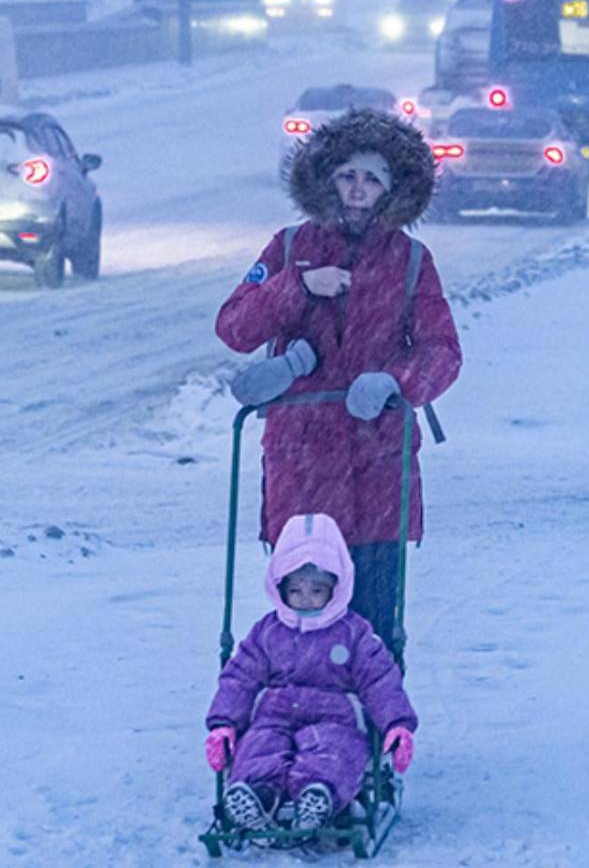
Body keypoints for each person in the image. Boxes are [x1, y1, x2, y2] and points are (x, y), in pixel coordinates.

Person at [217, 107, 462, 656]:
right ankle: (291, 716)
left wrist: (394, 382)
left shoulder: (412, 262)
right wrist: (298, 287)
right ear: (327, 180)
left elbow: (442, 351)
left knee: (374, 615)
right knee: (301, 603)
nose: (358, 188)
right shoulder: (286, 249)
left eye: (371, 178)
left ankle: (377, 723)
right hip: (299, 464)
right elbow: (234, 325)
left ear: (393, 188)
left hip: (378, 465)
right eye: (348, 175)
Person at [205, 514, 417, 836]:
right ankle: (257, 794)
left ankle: (317, 795)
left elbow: (379, 680)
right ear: (281, 589)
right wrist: (225, 724)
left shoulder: (353, 632)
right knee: (259, 746)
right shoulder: (267, 632)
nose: (305, 598)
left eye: (316, 589)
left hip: (334, 716)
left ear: (335, 588)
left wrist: (396, 725)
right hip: (273, 714)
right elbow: (240, 678)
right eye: (296, 590)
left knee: (334, 752)